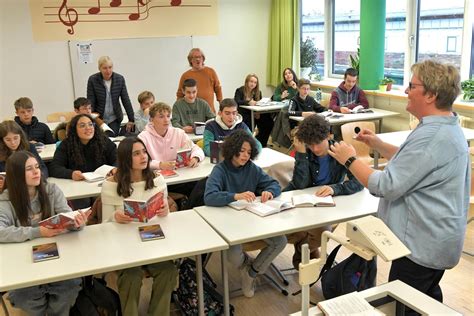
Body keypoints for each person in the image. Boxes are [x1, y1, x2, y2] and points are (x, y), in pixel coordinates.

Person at [328, 60, 470, 310]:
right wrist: (378, 144)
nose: (405, 90)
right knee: (426, 300)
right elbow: (417, 164)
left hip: (423, 247)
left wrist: (349, 159)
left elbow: (387, 185)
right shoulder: (444, 127)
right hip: (436, 242)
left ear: (431, 94)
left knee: (400, 306)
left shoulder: (432, 137)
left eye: (411, 85)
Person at [0, 151, 88, 315]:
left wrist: (77, 223)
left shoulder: (51, 190)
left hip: (57, 255)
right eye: (29, 169)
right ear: (16, 174)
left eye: (37, 167)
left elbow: (67, 215)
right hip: (22, 262)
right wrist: (37, 232)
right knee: (25, 296)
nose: (36, 172)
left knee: (69, 288)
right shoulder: (5, 200)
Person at [204, 130, 286, 298]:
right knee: (233, 256)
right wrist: (235, 196)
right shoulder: (220, 170)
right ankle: (245, 266)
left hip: (253, 219)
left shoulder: (252, 168)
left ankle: (251, 273)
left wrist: (269, 191)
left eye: (249, 152)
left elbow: (274, 184)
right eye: (241, 151)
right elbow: (209, 197)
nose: (245, 156)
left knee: (281, 241)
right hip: (230, 224)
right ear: (232, 149)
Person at [101, 137, 178, 315]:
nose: (143, 157)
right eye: (136, 154)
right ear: (125, 158)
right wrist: (115, 216)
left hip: (153, 242)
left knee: (168, 271)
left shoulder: (157, 180)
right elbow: (104, 225)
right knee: (131, 276)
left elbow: (166, 219)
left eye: (144, 152)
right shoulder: (110, 185)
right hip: (125, 246)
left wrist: (165, 210)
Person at [284, 114, 363, 269]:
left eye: (318, 143)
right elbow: (300, 184)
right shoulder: (306, 152)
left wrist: (335, 189)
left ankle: (303, 251)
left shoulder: (341, 151)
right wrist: (301, 154)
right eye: (310, 145)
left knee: (322, 232)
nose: (314, 149)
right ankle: (308, 253)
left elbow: (359, 181)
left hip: (326, 204)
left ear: (329, 136)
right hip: (302, 201)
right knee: (314, 232)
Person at [48, 114, 117, 180]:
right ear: (74, 129)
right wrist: (71, 174)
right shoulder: (66, 145)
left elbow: (118, 159)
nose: (88, 128)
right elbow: (54, 167)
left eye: (90, 124)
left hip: (103, 182)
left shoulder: (104, 141)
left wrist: (114, 168)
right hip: (77, 185)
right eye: (82, 125)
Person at [138, 102, 204, 170]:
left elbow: (196, 148)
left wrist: (195, 158)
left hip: (179, 173)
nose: (166, 120)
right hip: (155, 176)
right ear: (151, 119)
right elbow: (138, 161)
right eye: (161, 117)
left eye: (168, 116)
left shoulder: (178, 133)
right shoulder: (143, 137)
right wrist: (160, 165)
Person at [87, 56, 135, 135]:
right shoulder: (93, 80)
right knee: (100, 139)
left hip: (114, 118)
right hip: (99, 118)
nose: (108, 71)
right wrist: (93, 118)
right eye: (105, 68)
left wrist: (131, 119)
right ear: (99, 68)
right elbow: (91, 101)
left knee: (112, 137)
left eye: (110, 67)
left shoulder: (119, 79)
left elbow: (125, 100)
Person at [176, 48, 223, 113]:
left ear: (203, 59)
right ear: (190, 60)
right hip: (192, 113)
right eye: (195, 57)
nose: (197, 59)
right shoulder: (185, 75)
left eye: (199, 57)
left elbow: (218, 89)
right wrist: (178, 110)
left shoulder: (211, 72)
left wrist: (222, 106)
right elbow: (180, 94)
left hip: (209, 112)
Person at [234, 73, 274, 147]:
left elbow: (258, 103)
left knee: (268, 122)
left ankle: (261, 142)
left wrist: (258, 112)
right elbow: (237, 101)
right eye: (251, 81)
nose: (253, 84)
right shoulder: (240, 90)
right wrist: (248, 102)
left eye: (255, 82)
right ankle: (247, 143)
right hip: (244, 113)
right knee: (248, 121)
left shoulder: (258, 92)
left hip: (255, 113)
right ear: (247, 82)